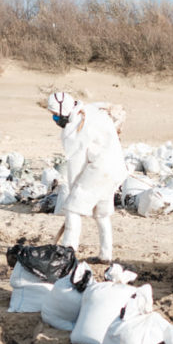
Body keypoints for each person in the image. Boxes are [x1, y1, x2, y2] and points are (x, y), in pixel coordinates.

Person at [47, 92, 128, 262]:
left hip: (100, 170)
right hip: (117, 167)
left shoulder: (74, 131)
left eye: (55, 116)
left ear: (64, 111)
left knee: (72, 210)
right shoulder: (91, 110)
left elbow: (75, 166)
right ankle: (106, 255)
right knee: (101, 214)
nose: (55, 120)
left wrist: (73, 193)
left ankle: (67, 254)